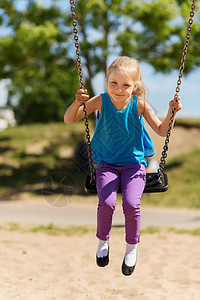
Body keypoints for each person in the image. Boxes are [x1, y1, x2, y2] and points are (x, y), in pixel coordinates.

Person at [64, 56, 182, 276]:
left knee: (130, 204)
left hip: (134, 166)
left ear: (135, 86)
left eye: (126, 84)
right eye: (113, 83)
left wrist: (172, 112)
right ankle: (103, 242)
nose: (118, 89)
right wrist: (77, 102)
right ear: (107, 81)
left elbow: (162, 130)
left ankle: (131, 247)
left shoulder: (139, 104)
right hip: (106, 165)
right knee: (106, 203)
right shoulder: (100, 100)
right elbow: (70, 119)